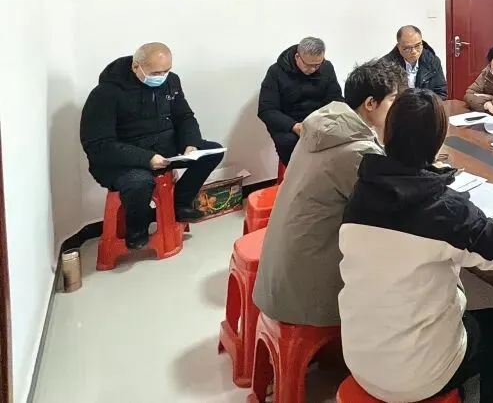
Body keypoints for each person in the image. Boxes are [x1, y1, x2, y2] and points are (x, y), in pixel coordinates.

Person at [339, 89, 493, 403]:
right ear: (438, 141)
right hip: (416, 377)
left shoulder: (362, 191)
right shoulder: (444, 208)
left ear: (387, 133)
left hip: (358, 358)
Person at [253, 58, 403, 327]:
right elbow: (390, 211)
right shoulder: (356, 151)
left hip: (280, 274)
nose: (398, 107)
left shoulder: (325, 125)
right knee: (399, 264)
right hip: (305, 293)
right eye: (393, 100)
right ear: (370, 103)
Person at [79, 43, 224, 250]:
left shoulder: (171, 82)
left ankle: (179, 203)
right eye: (156, 73)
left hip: (164, 148)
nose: (162, 77)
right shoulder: (105, 94)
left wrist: (190, 143)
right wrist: (145, 159)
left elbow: (184, 117)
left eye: (167, 71)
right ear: (136, 67)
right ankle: (136, 229)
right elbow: (99, 145)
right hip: (123, 158)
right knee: (139, 182)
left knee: (212, 152)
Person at [257, 36, 345, 166]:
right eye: (308, 65)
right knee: (290, 144)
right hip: (289, 122)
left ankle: (329, 173)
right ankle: (299, 175)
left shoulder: (326, 67)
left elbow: (335, 98)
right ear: (297, 57)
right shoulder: (276, 72)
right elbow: (267, 110)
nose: (313, 69)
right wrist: (294, 126)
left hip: (318, 118)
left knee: (343, 135)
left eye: (317, 65)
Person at [383, 25, 447, 99]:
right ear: (399, 47)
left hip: (426, 105)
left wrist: (425, 104)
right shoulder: (386, 65)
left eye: (417, 46)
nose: (414, 51)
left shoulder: (432, 61)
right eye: (407, 48)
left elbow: (441, 93)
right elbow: (383, 98)